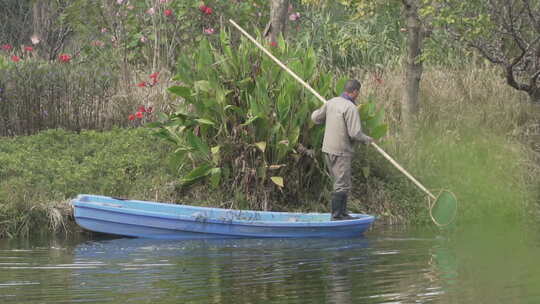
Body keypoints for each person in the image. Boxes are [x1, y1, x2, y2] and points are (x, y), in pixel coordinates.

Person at [311, 79, 373, 220]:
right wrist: (367, 139)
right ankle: (337, 216)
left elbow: (315, 118)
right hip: (341, 151)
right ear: (355, 92)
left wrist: (325, 109)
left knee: (340, 182)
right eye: (358, 92)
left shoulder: (331, 102)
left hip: (328, 150)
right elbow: (355, 133)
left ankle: (342, 213)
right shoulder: (351, 108)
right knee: (342, 184)